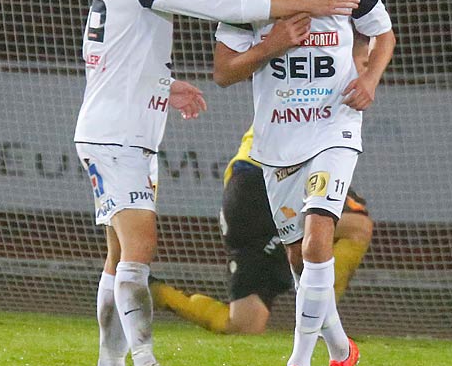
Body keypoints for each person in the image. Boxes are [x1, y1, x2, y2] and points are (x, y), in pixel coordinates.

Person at [74, 0, 356, 366]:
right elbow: (217, 6)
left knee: (117, 256)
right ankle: (145, 361)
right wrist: (303, 0)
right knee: (139, 246)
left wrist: (165, 84)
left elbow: (104, 52)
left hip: (115, 128)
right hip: (118, 135)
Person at [213, 0, 395, 366]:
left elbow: (382, 34)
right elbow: (224, 71)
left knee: (319, 242)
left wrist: (371, 79)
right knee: (299, 262)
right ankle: (342, 353)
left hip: (333, 128)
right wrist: (271, 44)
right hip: (276, 139)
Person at [153, 127, 375, 335]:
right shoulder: (311, 94)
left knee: (243, 324)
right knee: (356, 227)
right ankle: (322, 323)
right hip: (272, 175)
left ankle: (153, 292)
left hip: (246, 189)